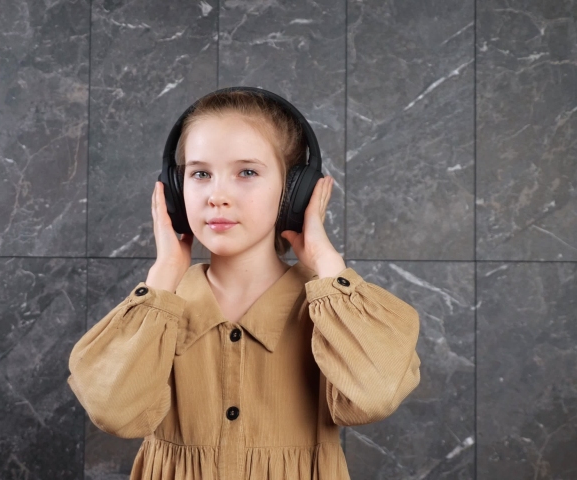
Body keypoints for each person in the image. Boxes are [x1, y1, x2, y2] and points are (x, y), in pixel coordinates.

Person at [67, 89, 421, 479]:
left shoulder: (330, 311)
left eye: (247, 172)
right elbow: (113, 412)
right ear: (173, 188)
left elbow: (375, 397)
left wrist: (325, 262)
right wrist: (164, 272)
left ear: (293, 192)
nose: (217, 196)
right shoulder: (157, 310)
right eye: (200, 174)